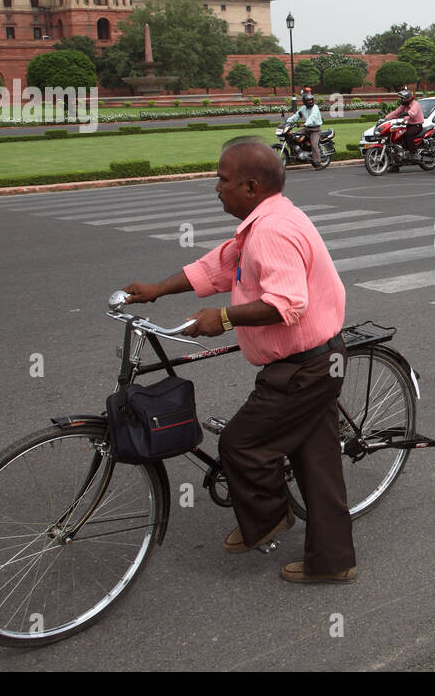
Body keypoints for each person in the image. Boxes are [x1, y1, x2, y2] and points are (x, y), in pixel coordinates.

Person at [121, 138, 355, 584]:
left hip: (303, 368)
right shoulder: (269, 218)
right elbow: (219, 266)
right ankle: (334, 561)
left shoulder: (270, 231)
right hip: (320, 360)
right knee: (316, 464)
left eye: (222, 180)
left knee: (240, 445)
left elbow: (288, 303)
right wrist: (157, 289)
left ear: (250, 187)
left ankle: (268, 518)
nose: (216, 187)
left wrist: (223, 317)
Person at [282, 88, 325, 168]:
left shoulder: (315, 108)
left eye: (311, 100)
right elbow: (296, 116)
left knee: (314, 145)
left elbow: (312, 117)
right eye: (308, 101)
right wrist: (288, 122)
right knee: (293, 136)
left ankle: (318, 163)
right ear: (305, 102)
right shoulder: (303, 108)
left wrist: (306, 123)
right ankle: (298, 152)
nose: (310, 102)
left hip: (315, 130)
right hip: (306, 129)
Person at [381, 88, 425, 154]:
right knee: (399, 135)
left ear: (408, 98)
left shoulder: (415, 104)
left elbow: (412, 113)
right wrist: (386, 118)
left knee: (408, 134)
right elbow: (396, 112)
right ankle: (403, 152)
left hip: (417, 126)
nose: (401, 100)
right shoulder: (404, 105)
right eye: (401, 98)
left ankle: (414, 153)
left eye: (403, 98)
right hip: (409, 126)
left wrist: (405, 116)